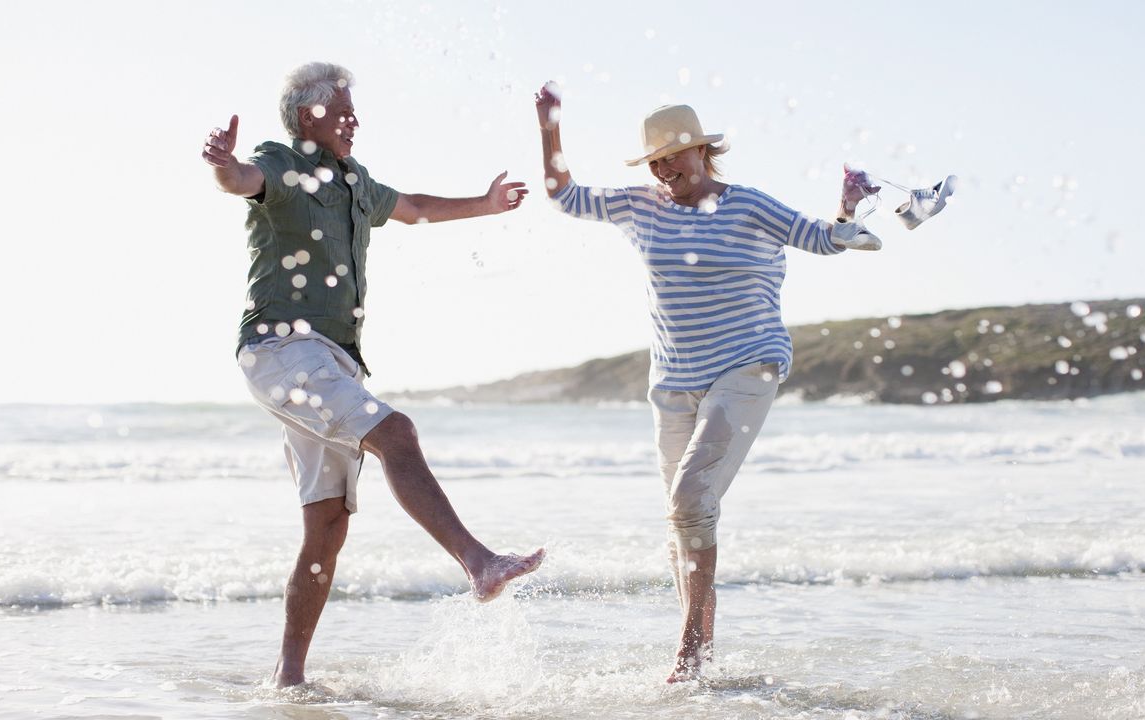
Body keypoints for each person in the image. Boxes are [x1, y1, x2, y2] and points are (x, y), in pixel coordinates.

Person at [201, 61, 544, 688]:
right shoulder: (279, 163)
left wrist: (487, 204)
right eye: (342, 108)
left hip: (332, 360)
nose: (354, 118)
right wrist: (223, 164)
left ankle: (289, 676)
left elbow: (411, 206)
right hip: (280, 349)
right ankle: (478, 562)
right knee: (397, 432)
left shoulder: (355, 182)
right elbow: (241, 180)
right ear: (309, 116)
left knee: (328, 524)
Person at [534, 83, 877, 681]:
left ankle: (690, 650)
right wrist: (550, 127)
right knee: (682, 516)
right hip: (672, 382)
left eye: (676, 156)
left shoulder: (749, 206)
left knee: (691, 498)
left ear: (702, 153)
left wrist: (846, 209)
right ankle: (702, 650)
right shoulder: (639, 205)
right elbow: (563, 195)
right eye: (657, 160)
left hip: (748, 363)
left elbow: (824, 240)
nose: (666, 169)